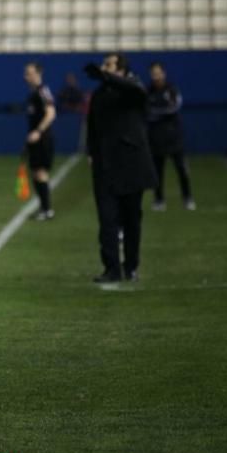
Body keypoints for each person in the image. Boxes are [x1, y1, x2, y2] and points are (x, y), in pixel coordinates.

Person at [85, 53, 157, 283]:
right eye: (104, 65)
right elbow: (92, 126)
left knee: (132, 220)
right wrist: (90, 152)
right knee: (107, 220)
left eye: (109, 65)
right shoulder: (98, 95)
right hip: (105, 166)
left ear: (122, 70)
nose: (104, 69)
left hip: (131, 164)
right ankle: (111, 268)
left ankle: (131, 266)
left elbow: (136, 90)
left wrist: (106, 76)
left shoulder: (133, 88)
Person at [147, 62, 194, 211]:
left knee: (182, 169)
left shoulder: (172, 90)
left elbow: (174, 108)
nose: (156, 76)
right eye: (153, 74)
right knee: (157, 172)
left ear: (163, 73)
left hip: (174, 138)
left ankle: (187, 198)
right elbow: (145, 112)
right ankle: (159, 200)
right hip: (156, 138)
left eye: (158, 73)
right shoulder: (148, 92)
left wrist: (157, 113)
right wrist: (157, 113)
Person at [23, 62, 57, 220]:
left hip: (43, 139)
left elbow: (51, 113)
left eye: (29, 73)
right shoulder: (34, 93)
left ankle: (46, 209)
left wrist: (38, 131)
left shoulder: (43, 91)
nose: (26, 76)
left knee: (41, 172)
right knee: (36, 172)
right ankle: (44, 208)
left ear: (38, 74)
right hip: (36, 139)